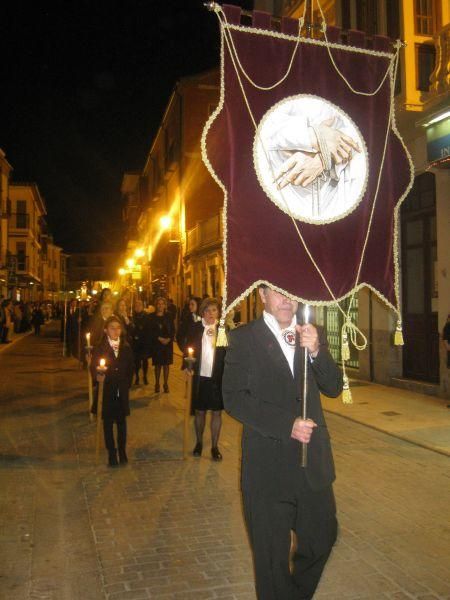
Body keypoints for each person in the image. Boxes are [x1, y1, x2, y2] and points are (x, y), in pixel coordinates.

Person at [222, 285, 343, 600]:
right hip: (267, 468)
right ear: (262, 296)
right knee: (271, 559)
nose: (286, 299)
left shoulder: (310, 334)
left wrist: (318, 351)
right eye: (277, 292)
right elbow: (233, 399)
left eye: (290, 292)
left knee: (323, 537)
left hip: (311, 465)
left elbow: (333, 387)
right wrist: (286, 424)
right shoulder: (243, 338)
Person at [185, 297, 226, 461]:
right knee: (199, 411)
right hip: (199, 377)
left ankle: (215, 446)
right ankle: (199, 442)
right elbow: (189, 350)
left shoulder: (222, 329)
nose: (211, 313)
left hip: (217, 378)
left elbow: (224, 352)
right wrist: (187, 366)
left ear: (218, 312)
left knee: (217, 413)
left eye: (214, 310)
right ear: (203, 312)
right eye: (208, 310)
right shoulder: (196, 328)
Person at [90, 315, 134, 467]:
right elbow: (94, 366)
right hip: (106, 390)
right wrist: (98, 376)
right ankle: (111, 452)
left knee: (122, 423)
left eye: (118, 328)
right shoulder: (100, 347)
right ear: (105, 330)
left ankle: (122, 450)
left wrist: (126, 384)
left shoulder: (126, 347)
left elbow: (130, 369)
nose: (116, 331)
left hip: (121, 391)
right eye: (112, 328)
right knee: (108, 423)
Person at [149, 297, 174, 393]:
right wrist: (158, 338)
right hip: (157, 344)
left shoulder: (169, 316)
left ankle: (165, 384)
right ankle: (157, 384)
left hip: (167, 344)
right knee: (158, 365)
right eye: (158, 304)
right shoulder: (152, 317)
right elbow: (150, 331)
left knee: (166, 365)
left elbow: (172, 329)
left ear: (165, 305)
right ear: (156, 305)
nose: (160, 305)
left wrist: (169, 339)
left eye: (162, 304)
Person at [131, 299, 152, 385]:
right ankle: (137, 376)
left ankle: (145, 376)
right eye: (136, 305)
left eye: (140, 305)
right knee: (136, 361)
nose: (138, 307)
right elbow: (131, 328)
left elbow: (148, 328)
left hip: (144, 342)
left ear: (142, 306)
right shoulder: (132, 316)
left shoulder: (146, 316)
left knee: (145, 360)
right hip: (135, 343)